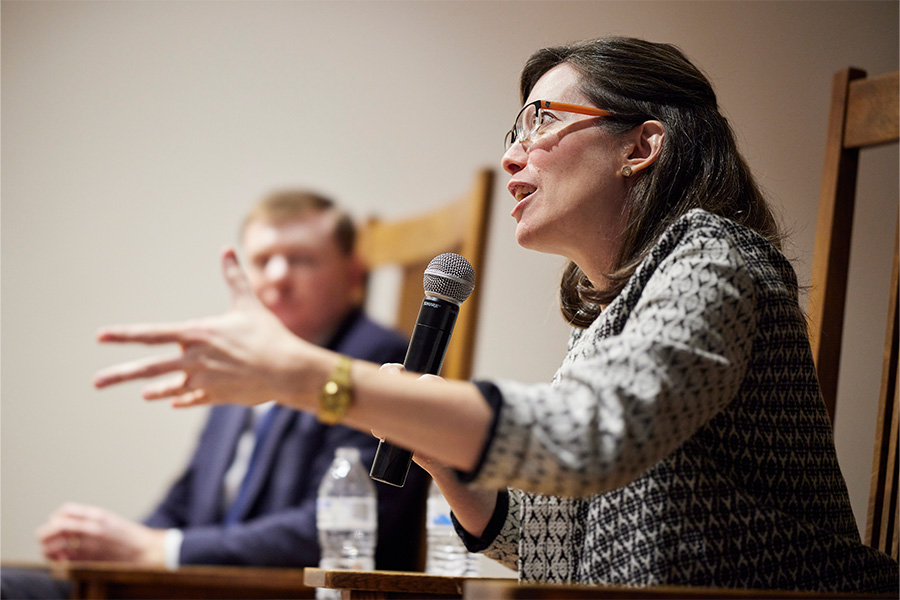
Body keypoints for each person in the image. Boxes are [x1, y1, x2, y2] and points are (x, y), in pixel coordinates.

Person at [91, 37, 898, 593]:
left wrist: (323, 378)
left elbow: (593, 436)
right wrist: (442, 457)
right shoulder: (606, 319)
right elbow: (561, 550)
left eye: (542, 122)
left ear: (640, 146)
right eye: (514, 128)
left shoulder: (714, 256)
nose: (513, 152)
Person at [2, 191, 429, 599]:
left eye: (301, 259)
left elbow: (333, 528)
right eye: (263, 260)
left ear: (353, 272)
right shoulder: (242, 361)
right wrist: (113, 545)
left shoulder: (379, 361)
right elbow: (187, 501)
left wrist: (165, 551)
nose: (278, 276)